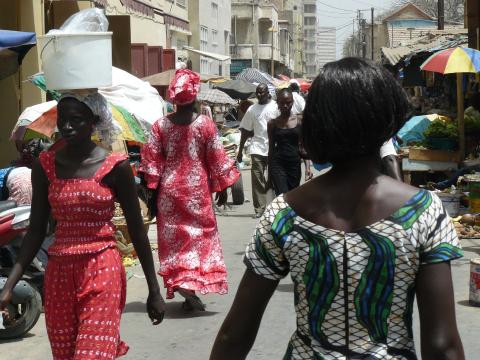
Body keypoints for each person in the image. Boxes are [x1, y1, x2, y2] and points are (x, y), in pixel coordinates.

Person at [211, 58, 464, 360]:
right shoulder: (423, 212)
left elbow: (234, 335)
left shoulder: (284, 214)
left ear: (319, 124)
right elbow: (442, 345)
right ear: (387, 118)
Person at [0, 92, 165, 359]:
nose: (67, 126)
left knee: (92, 354)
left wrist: (154, 290)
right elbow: (37, 230)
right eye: (63, 119)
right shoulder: (46, 166)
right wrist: (10, 285)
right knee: (64, 354)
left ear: (94, 121)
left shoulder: (116, 167)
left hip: (102, 268)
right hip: (59, 274)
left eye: (76, 120)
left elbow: (137, 231)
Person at [140, 69, 239, 310]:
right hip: (198, 193)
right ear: (194, 97)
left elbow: (152, 163)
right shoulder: (205, 125)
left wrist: (151, 194)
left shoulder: (160, 126)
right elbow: (217, 157)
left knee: (175, 242)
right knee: (199, 240)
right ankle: (191, 286)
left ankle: (184, 285)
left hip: (170, 193)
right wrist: (223, 186)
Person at [237, 84, 279, 218]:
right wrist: (239, 151)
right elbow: (245, 131)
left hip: (274, 148)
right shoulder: (251, 110)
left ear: (268, 93)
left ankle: (274, 208)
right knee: (257, 178)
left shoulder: (276, 107)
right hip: (257, 148)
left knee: (273, 179)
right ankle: (259, 208)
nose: (260, 95)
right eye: (257, 93)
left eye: (262, 93)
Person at [268, 88, 312, 196]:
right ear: (277, 103)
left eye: (288, 103)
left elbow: (303, 146)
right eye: (282, 103)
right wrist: (269, 176)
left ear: (292, 102)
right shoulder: (272, 124)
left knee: (293, 196)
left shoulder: (300, 121)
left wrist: (308, 168)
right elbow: (271, 149)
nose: (285, 106)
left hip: (294, 164)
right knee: (283, 196)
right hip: (278, 165)